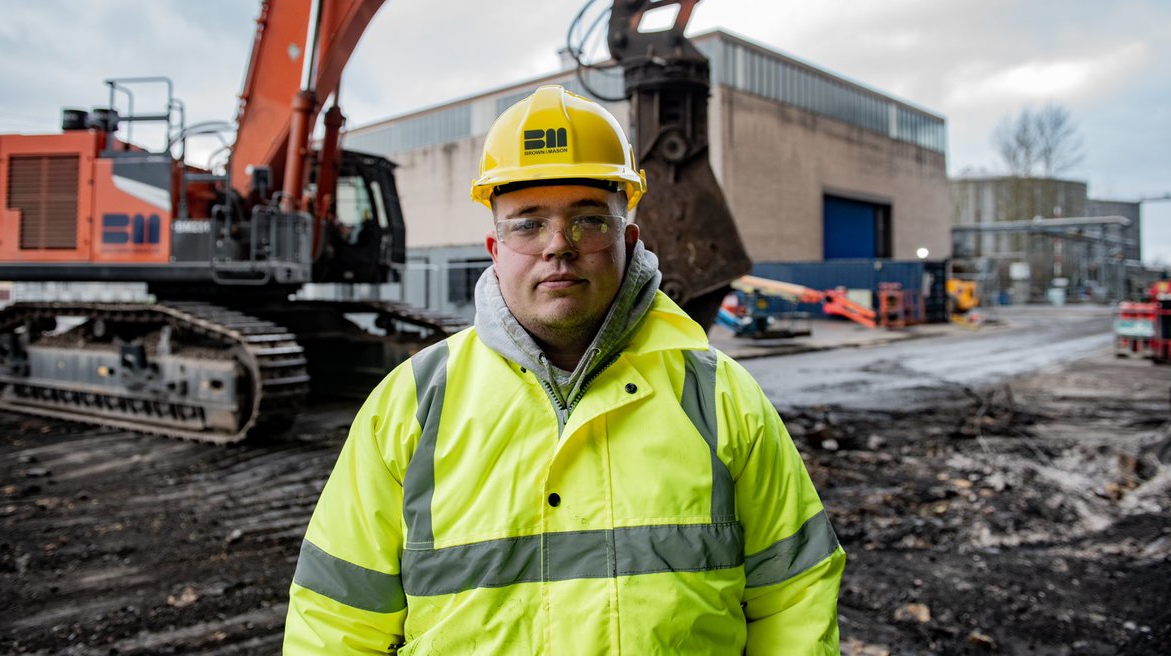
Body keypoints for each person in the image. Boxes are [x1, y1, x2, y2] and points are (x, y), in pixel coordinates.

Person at [284, 85, 845, 654]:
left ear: (628, 240)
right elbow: (335, 623)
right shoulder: (411, 405)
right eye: (528, 224)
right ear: (494, 248)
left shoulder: (721, 397)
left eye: (589, 220)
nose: (559, 246)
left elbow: (794, 598)